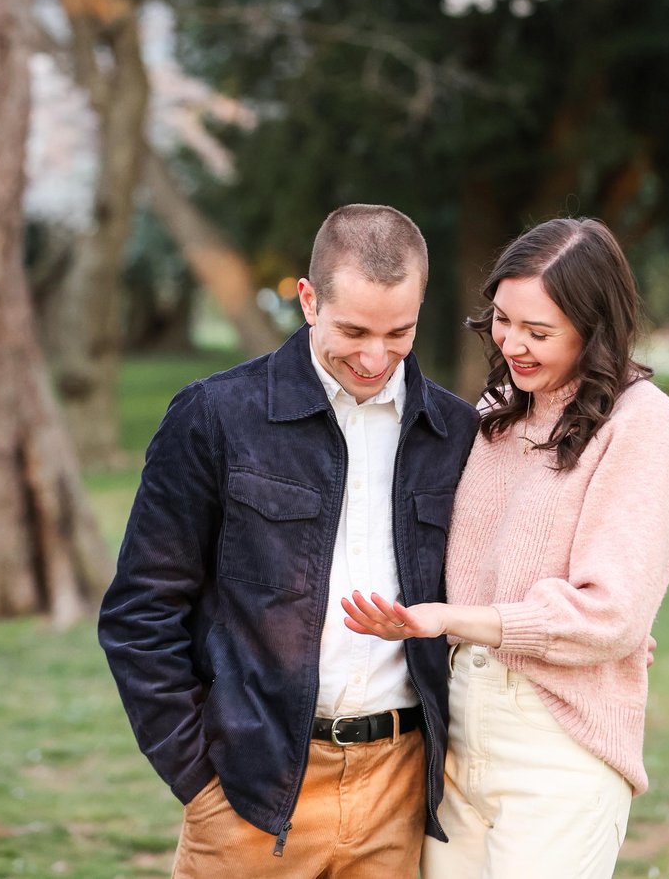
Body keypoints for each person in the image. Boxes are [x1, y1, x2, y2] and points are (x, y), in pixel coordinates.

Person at [99, 204, 479, 879]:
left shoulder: (455, 433)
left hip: (399, 789)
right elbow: (140, 611)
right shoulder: (215, 416)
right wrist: (200, 780)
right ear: (308, 300)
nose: (374, 356)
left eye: (400, 332)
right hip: (250, 793)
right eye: (353, 329)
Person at [343, 216, 669, 879]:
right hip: (457, 731)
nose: (513, 344)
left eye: (540, 332)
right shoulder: (501, 408)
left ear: (595, 327)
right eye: (504, 320)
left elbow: (608, 615)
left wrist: (453, 619)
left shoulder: (640, 424)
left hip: (558, 744)